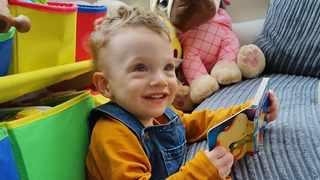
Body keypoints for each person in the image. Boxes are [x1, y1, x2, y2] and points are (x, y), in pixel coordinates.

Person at [86, 6, 278, 180]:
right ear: (106, 85)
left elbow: (199, 122)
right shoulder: (112, 135)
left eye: (168, 67)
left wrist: (248, 113)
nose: (161, 80)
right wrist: (201, 172)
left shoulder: (162, 114)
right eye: (140, 67)